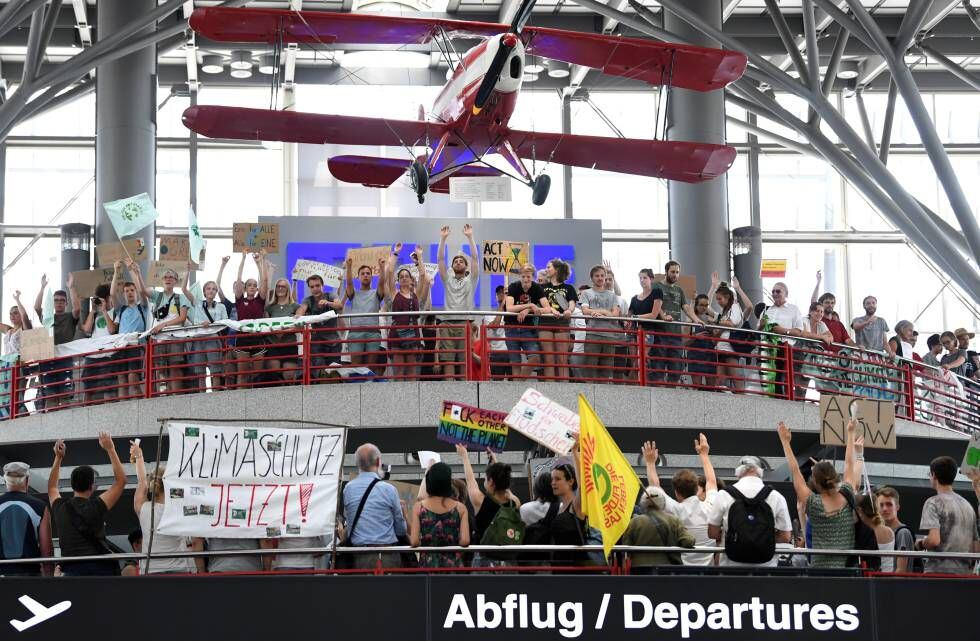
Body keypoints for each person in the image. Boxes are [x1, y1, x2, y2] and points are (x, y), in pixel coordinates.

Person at [777, 420, 860, 569]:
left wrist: (785, 442)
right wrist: (850, 432)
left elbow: (795, 471)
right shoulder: (847, 493)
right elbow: (849, 463)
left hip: (820, 568)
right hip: (847, 569)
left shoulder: (812, 503)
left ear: (814, 482)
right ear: (835, 476)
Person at [48, 433, 126, 576]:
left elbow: (52, 487)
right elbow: (121, 481)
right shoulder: (97, 506)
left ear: (72, 485)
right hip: (99, 570)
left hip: (71, 570)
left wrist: (58, 458)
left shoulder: (60, 507)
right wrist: (110, 449)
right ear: (92, 486)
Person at [643, 434, 719, 566]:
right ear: (697, 489)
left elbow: (656, 488)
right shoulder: (710, 507)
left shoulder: (675, 511)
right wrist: (704, 455)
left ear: (676, 492)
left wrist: (650, 463)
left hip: (681, 573)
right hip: (708, 574)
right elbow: (711, 482)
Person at [707, 454, 792, 567]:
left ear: (738, 473)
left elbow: (712, 533)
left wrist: (732, 535)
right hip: (766, 566)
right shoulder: (776, 497)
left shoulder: (723, 495)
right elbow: (786, 537)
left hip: (731, 565)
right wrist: (762, 537)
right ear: (760, 472)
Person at [130, 440, 197, 574]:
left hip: (152, 571)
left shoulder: (144, 509)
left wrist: (139, 457)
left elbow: (142, 482)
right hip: (179, 571)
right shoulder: (180, 510)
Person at [341, 443, 408, 569]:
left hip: (359, 556)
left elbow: (350, 526)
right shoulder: (389, 490)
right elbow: (401, 530)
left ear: (358, 463)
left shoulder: (348, 489)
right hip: (387, 556)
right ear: (378, 461)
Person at [456, 444, 520, 565]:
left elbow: (470, 480)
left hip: (485, 562)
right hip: (508, 563)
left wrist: (464, 456)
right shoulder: (514, 502)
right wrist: (495, 463)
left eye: (486, 478)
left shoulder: (480, 501)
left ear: (491, 482)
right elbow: (505, 488)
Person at [916, 455, 979, 574]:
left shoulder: (933, 502)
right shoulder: (968, 506)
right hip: (964, 574)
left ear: (933, 475)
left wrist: (921, 543)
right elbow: (976, 547)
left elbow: (934, 540)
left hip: (938, 573)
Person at [134, 264, 189, 393]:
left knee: (175, 369)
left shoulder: (181, 297)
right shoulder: (157, 295)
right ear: (162, 280)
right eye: (165, 277)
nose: (168, 279)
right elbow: (142, 291)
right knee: (160, 370)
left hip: (175, 338)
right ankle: (163, 395)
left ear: (176, 281)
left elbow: (182, 318)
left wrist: (163, 325)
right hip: (158, 339)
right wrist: (138, 273)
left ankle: (175, 396)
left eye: (171, 277)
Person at [436, 224, 479, 380]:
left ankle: (463, 392)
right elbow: (440, 259)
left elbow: (475, 258)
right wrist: (442, 238)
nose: (459, 262)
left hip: (465, 323)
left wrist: (470, 237)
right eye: (456, 261)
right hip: (447, 323)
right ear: (452, 266)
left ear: (466, 266)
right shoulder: (447, 279)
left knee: (463, 361)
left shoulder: (471, 280)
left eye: (462, 261)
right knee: (448, 360)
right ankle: (449, 389)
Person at [33, 273, 80, 410]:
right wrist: (42, 288)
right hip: (48, 360)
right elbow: (36, 307)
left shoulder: (69, 317)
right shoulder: (48, 317)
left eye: (61, 300)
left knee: (65, 396)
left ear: (66, 303)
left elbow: (77, 309)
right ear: (52, 303)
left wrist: (71, 287)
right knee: (50, 396)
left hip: (65, 359)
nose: (58, 302)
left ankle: (66, 427)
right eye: (56, 300)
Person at [410, 461, 470, 568]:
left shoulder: (418, 507)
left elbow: (414, 541)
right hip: (453, 564)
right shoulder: (460, 508)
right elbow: (465, 541)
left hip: (428, 565)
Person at [621, 488, 695, 571]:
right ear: (663, 502)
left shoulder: (634, 522)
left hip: (640, 570)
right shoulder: (674, 521)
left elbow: (626, 548)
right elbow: (688, 541)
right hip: (667, 570)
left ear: (643, 503)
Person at [0, 461, 53, 576]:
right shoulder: (40, 506)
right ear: (27, 480)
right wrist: (49, 579)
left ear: (5, 481)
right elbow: (47, 550)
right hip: (29, 574)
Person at [651, 261, 700, 384]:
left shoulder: (679, 290)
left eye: (677, 272)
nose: (675, 275)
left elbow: (686, 307)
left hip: (676, 335)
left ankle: (671, 394)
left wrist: (696, 319)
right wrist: (663, 315)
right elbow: (655, 304)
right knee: (658, 368)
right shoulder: (656, 286)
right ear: (666, 271)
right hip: (660, 333)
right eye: (672, 272)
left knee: (676, 368)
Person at [386, 244, 429, 380]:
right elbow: (389, 273)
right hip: (396, 336)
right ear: (398, 280)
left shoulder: (417, 294)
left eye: (407, 276)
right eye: (401, 276)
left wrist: (420, 257)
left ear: (411, 280)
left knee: (411, 373)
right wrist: (396, 253)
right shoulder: (394, 294)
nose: (404, 278)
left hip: (413, 337)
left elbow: (423, 276)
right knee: (398, 374)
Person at [183, 274, 230, 392]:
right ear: (204, 291)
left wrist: (211, 324)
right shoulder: (198, 303)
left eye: (214, 289)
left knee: (215, 369)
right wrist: (187, 272)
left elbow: (225, 323)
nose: (211, 291)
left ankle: (216, 394)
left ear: (216, 292)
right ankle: (201, 396)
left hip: (213, 339)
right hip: (198, 339)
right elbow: (184, 289)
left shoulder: (221, 306)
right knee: (200, 371)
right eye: (208, 288)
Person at [109, 260, 148, 399]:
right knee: (121, 380)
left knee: (133, 377)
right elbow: (112, 293)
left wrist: (136, 273)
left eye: (132, 290)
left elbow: (143, 292)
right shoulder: (121, 309)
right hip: (120, 346)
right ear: (124, 294)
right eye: (126, 291)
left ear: (135, 292)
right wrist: (116, 271)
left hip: (135, 345)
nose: (130, 293)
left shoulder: (142, 307)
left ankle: (138, 403)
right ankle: (123, 408)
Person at [230, 251, 270, 386]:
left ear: (257, 288)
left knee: (257, 376)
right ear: (245, 288)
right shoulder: (240, 300)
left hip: (257, 339)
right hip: (242, 340)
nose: (252, 287)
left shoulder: (260, 300)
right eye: (249, 285)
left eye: (254, 285)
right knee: (242, 375)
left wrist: (261, 261)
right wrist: (242, 259)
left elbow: (264, 280)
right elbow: (238, 278)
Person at [505, 263, 551, 379]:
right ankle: (517, 390)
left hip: (528, 329)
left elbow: (547, 308)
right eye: (523, 276)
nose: (525, 279)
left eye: (528, 277)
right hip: (512, 327)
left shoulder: (537, 288)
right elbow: (509, 308)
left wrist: (528, 310)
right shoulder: (513, 287)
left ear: (533, 277)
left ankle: (519, 382)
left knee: (534, 357)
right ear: (520, 276)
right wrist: (530, 305)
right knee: (515, 362)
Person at [295, 274, 345, 380]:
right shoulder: (307, 300)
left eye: (317, 285)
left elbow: (340, 305)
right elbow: (301, 309)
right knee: (320, 373)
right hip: (317, 344)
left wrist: (328, 303)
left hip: (334, 343)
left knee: (334, 373)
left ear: (323, 285)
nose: (315, 289)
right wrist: (298, 315)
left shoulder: (330, 295)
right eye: (312, 287)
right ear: (309, 288)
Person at [579, 264, 622, 382]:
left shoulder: (612, 295)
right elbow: (585, 311)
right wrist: (604, 313)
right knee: (590, 369)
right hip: (593, 334)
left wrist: (600, 312)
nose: (600, 278)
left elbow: (615, 314)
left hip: (610, 336)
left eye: (602, 275)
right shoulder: (586, 293)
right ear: (592, 278)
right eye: (597, 276)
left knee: (606, 370)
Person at [344, 253, 388, 368]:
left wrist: (382, 268)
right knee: (355, 366)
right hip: (355, 333)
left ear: (372, 277)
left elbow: (382, 282)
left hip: (373, 333)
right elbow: (348, 283)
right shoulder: (353, 293)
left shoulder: (376, 293)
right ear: (358, 277)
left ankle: (369, 385)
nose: (365, 275)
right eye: (362, 274)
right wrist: (349, 267)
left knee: (371, 366)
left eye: (368, 273)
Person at [538, 259, 577, 381]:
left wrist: (569, 311)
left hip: (562, 323)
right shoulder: (541, 287)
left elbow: (571, 304)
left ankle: (564, 389)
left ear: (557, 270)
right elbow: (540, 304)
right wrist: (549, 310)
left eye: (549, 267)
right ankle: (550, 388)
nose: (546, 269)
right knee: (548, 359)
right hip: (545, 324)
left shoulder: (569, 288)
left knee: (562, 359)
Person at [263, 274, 301, 384]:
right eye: (278, 286)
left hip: (289, 344)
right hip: (273, 344)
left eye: (283, 286)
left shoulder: (295, 306)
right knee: (274, 376)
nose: (280, 288)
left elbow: (299, 325)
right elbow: (266, 326)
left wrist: (295, 281)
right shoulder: (269, 307)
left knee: (289, 377)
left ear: (287, 289)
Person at [628, 269, 664, 384]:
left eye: (645, 278)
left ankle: (642, 385)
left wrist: (636, 317)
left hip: (647, 331)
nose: (642, 280)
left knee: (641, 359)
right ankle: (635, 384)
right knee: (634, 360)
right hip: (634, 332)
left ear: (651, 279)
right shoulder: (634, 298)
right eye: (640, 278)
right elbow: (628, 317)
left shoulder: (656, 292)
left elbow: (654, 315)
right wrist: (629, 320)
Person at [1, 291, 33, 416]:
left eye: (15, 313)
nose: (12, 316)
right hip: (6, 365)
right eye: (10, 314)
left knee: (18, 393)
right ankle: (9, 414)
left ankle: (22, 414)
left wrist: (17, 300)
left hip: (19, 363)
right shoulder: (9, 330)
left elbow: (25, 316)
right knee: (5, 394)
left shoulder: (24, 329)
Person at [709, 278, 744, 390]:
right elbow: (706, 307)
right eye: (717, 299)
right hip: (721, 348)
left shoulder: (734, 306)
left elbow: (732, 323)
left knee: (736, 379)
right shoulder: (723, 312)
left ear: (727, 297)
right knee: (720, 381)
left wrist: (719, 328)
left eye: (719, 299)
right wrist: (713, 286)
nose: (718, 302)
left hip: (730, 349)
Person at [874, 486, 917, 573]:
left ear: (897, 507)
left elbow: (901, 571)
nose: (885, 509)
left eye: (889, 504)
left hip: (894, 585)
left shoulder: (903, 533)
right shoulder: (879, 532)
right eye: (881, 505)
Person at [856, 493, 896, 572]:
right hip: (887, 578)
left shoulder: (864, 533)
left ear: (859, 510)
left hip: (870, 578)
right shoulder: (889, 531)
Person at [685, 294, 717, 389]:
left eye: (706, 305)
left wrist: (714, 334)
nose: (704, 308)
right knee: (697, 387)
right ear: (696, 305)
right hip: (695, 356)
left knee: (711, 388)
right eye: (701, 305)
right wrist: (695, 337)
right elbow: (684, 342)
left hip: (710, 356)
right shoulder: (690, 320)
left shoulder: (711, 319)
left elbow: (717, 337)